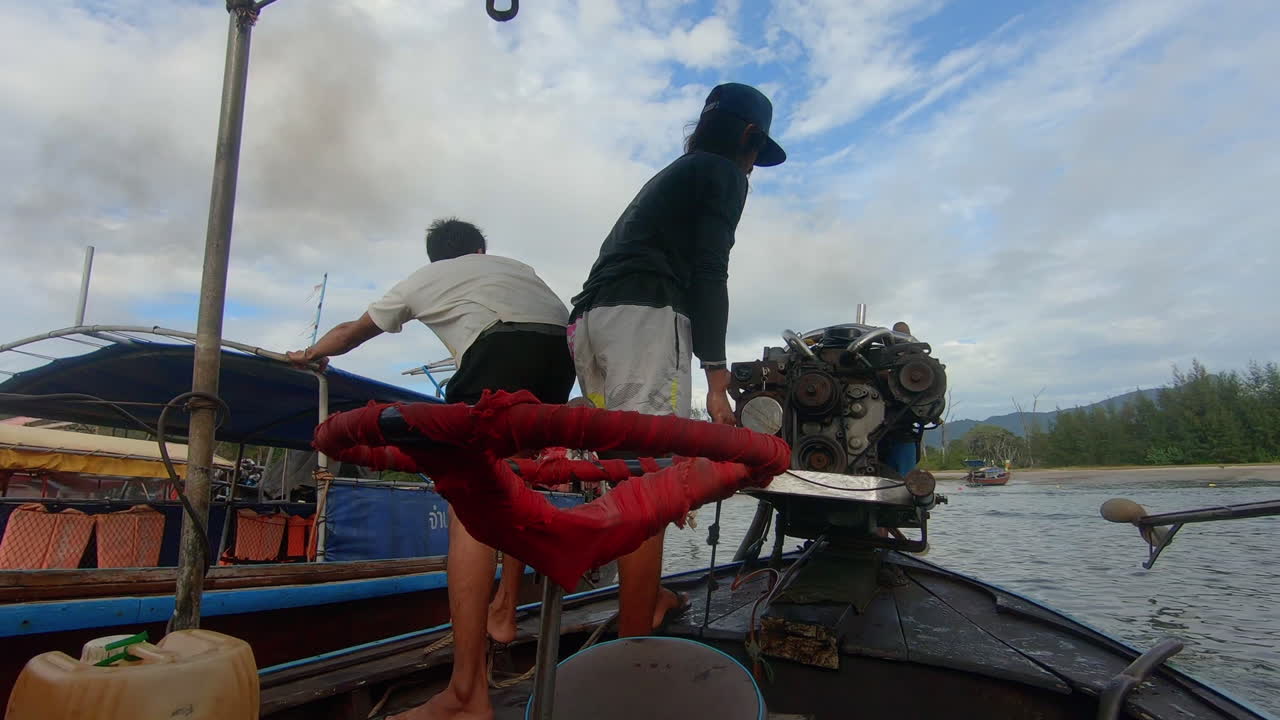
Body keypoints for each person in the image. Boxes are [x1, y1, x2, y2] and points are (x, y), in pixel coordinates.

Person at [287, 218, 575, 720]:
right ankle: (505, 608)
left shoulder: (427, 277)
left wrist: (311, 353)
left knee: (470, 502)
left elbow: (351, 333)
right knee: (513, 477)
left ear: (436, 257)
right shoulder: (515, 268)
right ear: (480, 250)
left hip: (501, 351)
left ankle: (467, 695)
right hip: (559, 356)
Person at [567, 83, 785, 637]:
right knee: (650, 475)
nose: (753, 166)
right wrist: (717, 376)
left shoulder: (675, 175)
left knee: (629, 472)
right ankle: (634, 636)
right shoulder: (723, 173)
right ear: (749, 137)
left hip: (590, 323)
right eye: (757, 153)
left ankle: (647, 593)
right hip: (642, 319)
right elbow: (711, 271)